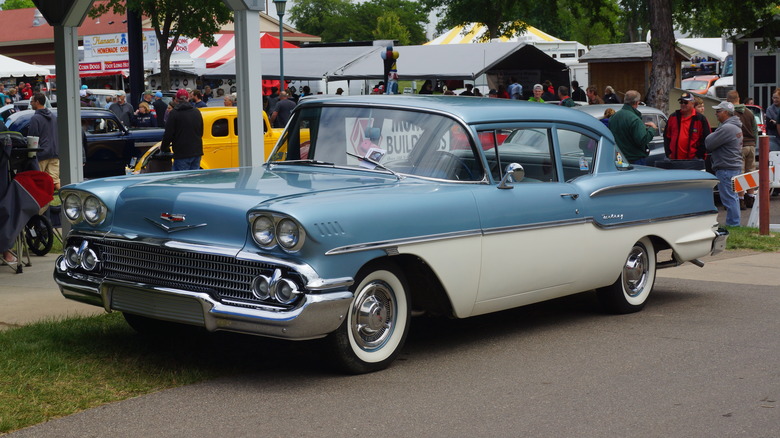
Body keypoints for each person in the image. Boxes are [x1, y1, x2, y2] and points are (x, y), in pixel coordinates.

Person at [705, 101, 744, 227]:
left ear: (726, 113)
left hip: (726, 167)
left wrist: (711, 135)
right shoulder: (735, 127)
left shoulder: (727, 128)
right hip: (732, 166)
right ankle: (735, 223)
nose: (716, 114)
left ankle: (733, 224)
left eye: (718, 111)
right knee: (733, 197)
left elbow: (709, 143)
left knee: (729, 198)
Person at [608, 90, 657, 165]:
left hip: (619, 158)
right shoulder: (635, 119)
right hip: (635, 159)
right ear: (637, 102)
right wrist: (652, 129)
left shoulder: (613, 117)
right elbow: (642, 140)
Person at [727, 90, 758, 209]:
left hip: (739, 146)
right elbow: (755, 130)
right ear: (738, 98)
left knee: (740, 174)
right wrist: (754, 143)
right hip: (751, 146)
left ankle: (741, 200)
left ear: (728, 100)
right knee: (751, 172)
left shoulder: (731, 113)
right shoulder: (749, 112)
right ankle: (750, 198)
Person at [161, 89, 204, 171]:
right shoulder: (196, 112)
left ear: (176, 100)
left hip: (181, 152)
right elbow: (200, 131)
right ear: (188, 98)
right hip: (196, 150)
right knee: (194, 178)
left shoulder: (174, 113)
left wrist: (163, 148)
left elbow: (168, 134)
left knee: (181, 179)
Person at [663, 91, 710, 161]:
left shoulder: (700, 119)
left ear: (692, 103)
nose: (683, 104)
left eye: (685, 102)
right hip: (674, 159)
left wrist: (698, 156)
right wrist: (669, 153)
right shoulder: (673, 117)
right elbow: (666, 136)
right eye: (681, 102)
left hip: (693, 160)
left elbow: (706, 139)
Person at [27, 92, 60, 190]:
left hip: (41, 153)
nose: (31, 103)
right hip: (54, 152)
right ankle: (68, 199)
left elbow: (32, 138)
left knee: (40, 181)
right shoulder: (53, 116)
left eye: (32, 101)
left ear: (37, 102)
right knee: (55, 180)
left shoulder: (35, 118)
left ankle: (43, 205)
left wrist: (30, 155)